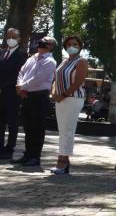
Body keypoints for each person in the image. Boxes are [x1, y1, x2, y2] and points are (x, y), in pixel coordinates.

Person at [14, 36, 57, 167]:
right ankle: (27, 154)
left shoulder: (50, 61)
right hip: (27, 96)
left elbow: (38, 79)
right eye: (42, 40)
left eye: (46, 42)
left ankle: (35, 157)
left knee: (37, 128)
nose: (42, 43)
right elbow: (22, 72)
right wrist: (19, 86)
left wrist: (22, 87)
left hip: (39, 97)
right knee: (27, 127)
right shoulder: (31, 58)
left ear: (51, 46)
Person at [50, 36, 89, 174]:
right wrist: (54, 93)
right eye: (69, 44)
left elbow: (78, 82)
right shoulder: (64, 61)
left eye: (75, 44)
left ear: (80, 46)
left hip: (73, 99)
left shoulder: (81, 61)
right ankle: (64, 161)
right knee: (62, 130)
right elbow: (55, 79)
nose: (71, 46)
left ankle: (61, 161)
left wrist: (64, 94)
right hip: (60, 100)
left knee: (68, 130)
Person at [0, 28, 27, 160]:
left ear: (19, 39)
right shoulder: (2, 52)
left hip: (12, 93)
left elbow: (18, 74)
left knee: (12, 122)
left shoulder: (22, 54)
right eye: (8, 36)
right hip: (1, 94)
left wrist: (4, 85)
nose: (10, 39)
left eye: (13, 37)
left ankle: (9, 149)